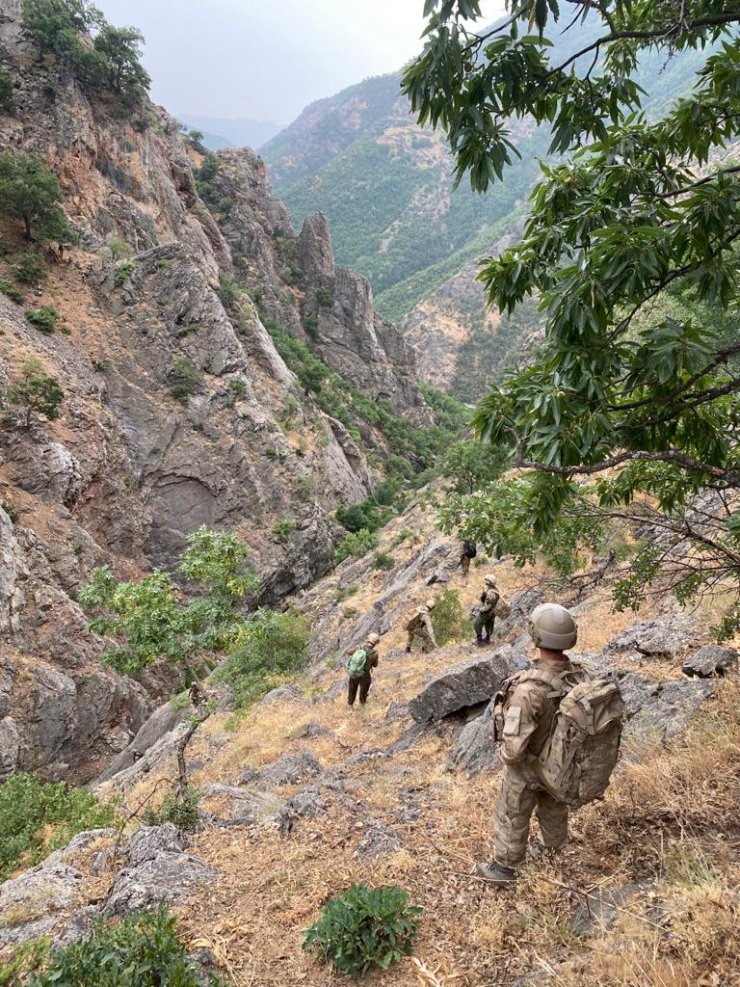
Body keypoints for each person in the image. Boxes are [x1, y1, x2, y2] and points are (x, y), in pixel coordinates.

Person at [476, 603, 585, 885]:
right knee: (554, 806)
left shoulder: (529, 690)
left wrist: (503, 752)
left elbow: (513, 751)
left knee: (512, 812)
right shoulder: (580, 677)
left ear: (536, 637)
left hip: (530, 766)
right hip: (560, 765)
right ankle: (553, 849)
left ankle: (505, 869)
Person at [347, 632, 380, 707]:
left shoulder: (359, 648)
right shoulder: (374, 653)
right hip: (365, 675)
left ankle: (350, 705)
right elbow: (375, 665)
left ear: (367, 640)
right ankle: (362, 706)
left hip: (355, 672)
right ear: (375, 643)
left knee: (352, 689)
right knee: (364, 691)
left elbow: (348, 652)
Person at [474, 575, 500, 646]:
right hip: (492, 612)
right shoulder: (496, 589)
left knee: (477, 623)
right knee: (489, 624)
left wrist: (481, 610)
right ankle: (487, 638)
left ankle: (479, 639)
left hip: (487, 612)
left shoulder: (490, 593)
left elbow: (488, 605)